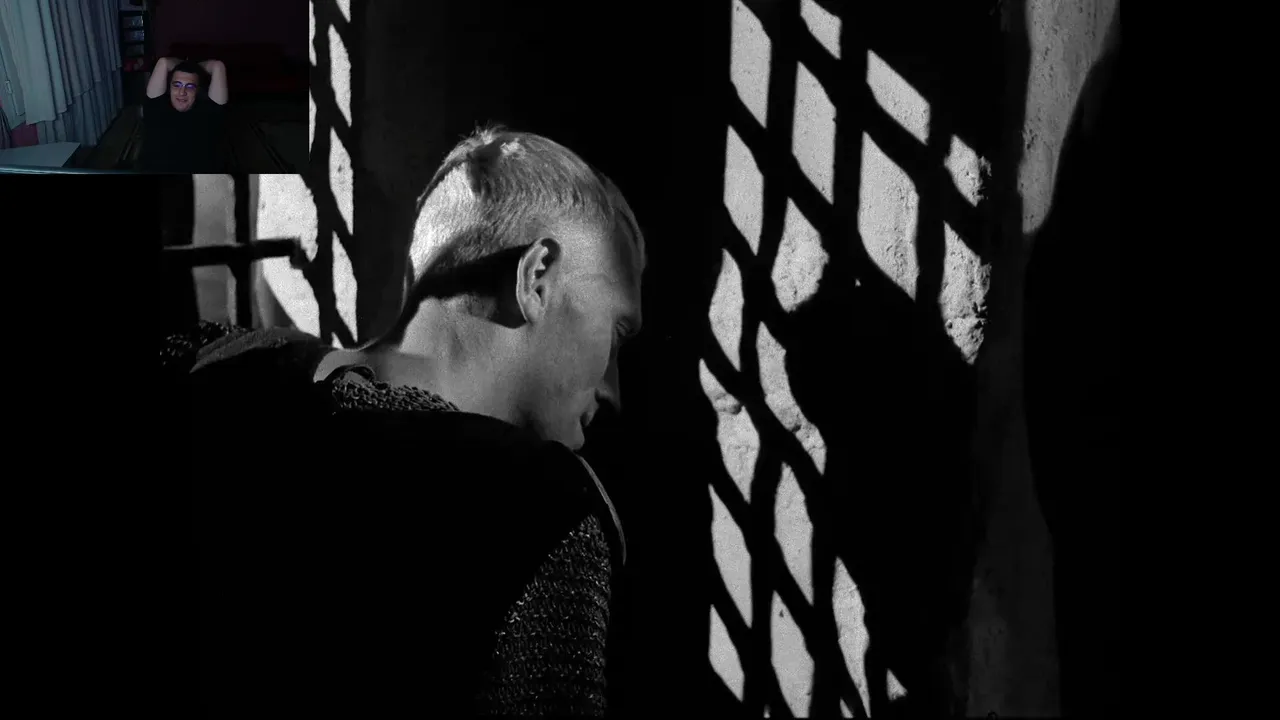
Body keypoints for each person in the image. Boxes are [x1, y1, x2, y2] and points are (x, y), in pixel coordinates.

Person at [166, 126, 646, 717]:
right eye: (617, 333)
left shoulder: (209, 363)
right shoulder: (540, 512)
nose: (613, 389)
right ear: (537, 278)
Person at [138, 56, 228, 172]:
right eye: (177, 85)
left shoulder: (209, 113)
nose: (182, 92)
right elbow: (164, 62)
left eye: (190, 87)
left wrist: (193, 67)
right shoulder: (156, 108)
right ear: (169, 88)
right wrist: (190, 66)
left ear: (197, 90)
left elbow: (218, 66)